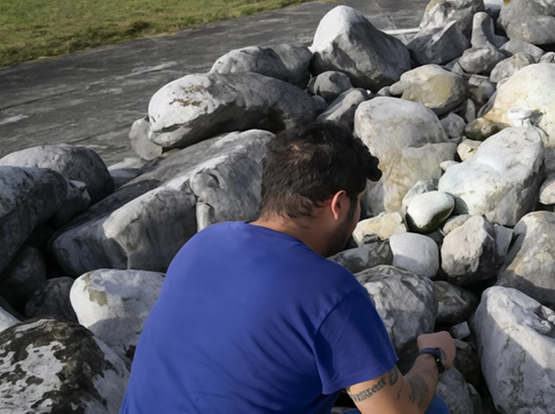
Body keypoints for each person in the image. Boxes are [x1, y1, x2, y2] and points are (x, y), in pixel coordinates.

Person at [122, 121, 454, 414]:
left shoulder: (203, 242)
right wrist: (434, 357)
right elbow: (397, 412)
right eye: (359, 203)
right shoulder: (330, 293)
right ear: (338, 205)